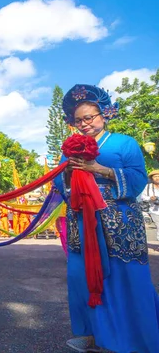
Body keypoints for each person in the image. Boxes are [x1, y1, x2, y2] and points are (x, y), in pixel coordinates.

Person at [54, 84, 159, 353]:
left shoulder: (125, 143)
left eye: (89, 117)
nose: (84, 124)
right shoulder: (69, 149)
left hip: (120, 225)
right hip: (82, 221)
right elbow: (60, 185)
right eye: (78, 120)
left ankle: (135, 337)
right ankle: (93, 335)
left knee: (125, 278)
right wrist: (67, 173)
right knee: (82, 276)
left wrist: (99, 169)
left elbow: (137, 181)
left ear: (104, 115)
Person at [141, 170, 159, 240]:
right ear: (152, 178)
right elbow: (142, 197)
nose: (157, 178)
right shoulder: (148, 187)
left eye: (158, 176)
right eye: (155, 176)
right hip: (154, 211)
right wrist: (150, 198)